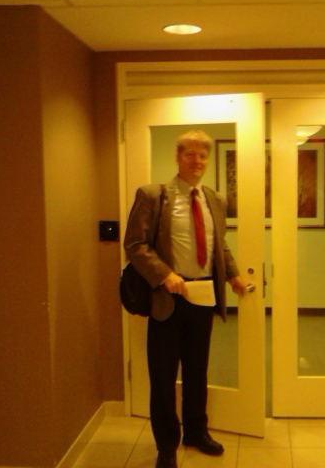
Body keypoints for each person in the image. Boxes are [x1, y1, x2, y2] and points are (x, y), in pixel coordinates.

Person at [123, 129, 248, 468]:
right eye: (190, 154)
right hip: (167, 298)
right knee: (163, 377)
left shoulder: (215, 200)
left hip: (203, 295)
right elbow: (135, 244)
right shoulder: (154, 196)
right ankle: (166, 445)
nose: (197, 161)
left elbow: (219, 245)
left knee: (197, 371)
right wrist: (165, 274)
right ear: (177, 158)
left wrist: (233, 275)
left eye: (202, 155)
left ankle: (196, 432)